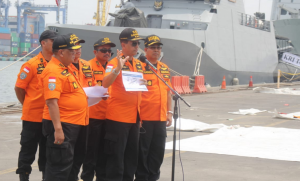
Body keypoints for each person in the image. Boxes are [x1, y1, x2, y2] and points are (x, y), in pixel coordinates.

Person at [40, 34, 88, 181]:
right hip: (64, 125)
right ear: (61, 52)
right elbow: (51, 102)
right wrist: (58, 130)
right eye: (72, 51)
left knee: (73, 166)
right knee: (59, 168)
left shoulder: (67, 68)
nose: (75, 54)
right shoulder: (53, 71)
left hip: (76, 124)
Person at [102, 28, 147, 181]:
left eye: (138, 43)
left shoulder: (138, 64)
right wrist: (117, 69)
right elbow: (104, 83)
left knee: (131, 158)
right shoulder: (114, 63)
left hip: (134, 117)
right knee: (116, 159)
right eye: (134, 43)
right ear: (123, 44)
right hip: (118, 118)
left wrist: (142, 83)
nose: (137, 46)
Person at [15, 30, 57, 181]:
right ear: (43, 43)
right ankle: (23, 177)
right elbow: (19, 88)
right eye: (52, 40)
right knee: (28, 150)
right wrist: (28, 104)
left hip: (50, 117)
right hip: (32, 117)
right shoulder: (31, 65)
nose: (55, 43)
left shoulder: (57, 64)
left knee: (48, 152)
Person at [135, 35, 173, 181]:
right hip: (145, 117)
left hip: (161, 118)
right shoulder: (139, 67)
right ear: (145, 49)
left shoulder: (164, 68)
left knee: (158, 151)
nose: (156, 50)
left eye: (158, 48)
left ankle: (153, 177)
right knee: (143, 152)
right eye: (153, 48)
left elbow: (168, 92)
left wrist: (169, 113)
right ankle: (142, 178)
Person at [81, 37, 116, 181]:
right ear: (95, 51)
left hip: (110, 116)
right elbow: (84, 89)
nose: (107, 53)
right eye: (103, 50)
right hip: (94, 116)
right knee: (91, 152)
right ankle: (87, 177)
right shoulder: (87, 66)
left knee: (105, 152)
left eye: (109, 50)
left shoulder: (113, 67)